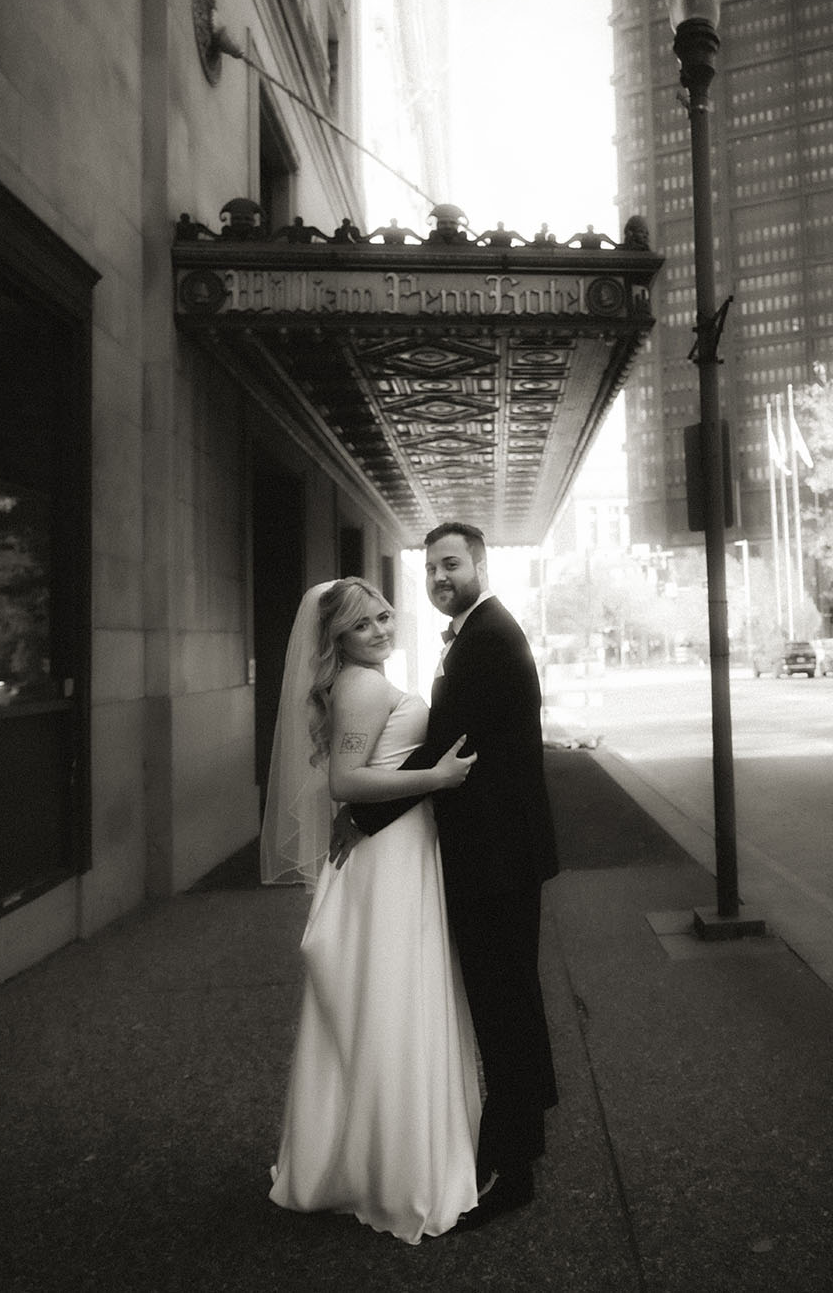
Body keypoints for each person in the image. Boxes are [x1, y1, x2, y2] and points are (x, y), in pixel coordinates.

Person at [333, 524, 559, 1230]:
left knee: (504, 1003)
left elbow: (444, 747)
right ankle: (516, 1139)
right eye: (429, 565)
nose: (437, 575)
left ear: (480, 564)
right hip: (496, 852)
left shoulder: (487, 637)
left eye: (450, 562)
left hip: (495, 858)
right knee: (505, 998)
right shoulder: (472, 633)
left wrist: (360, 818)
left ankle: (512, 1166)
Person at [262, 578, 481, 1245]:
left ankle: (377, 1155)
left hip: (397, 848)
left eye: (384, 613)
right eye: (363, 624)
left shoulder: (366, 679)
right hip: (387, 860)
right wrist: (436, 779)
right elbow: (346, 783)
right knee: (391, 997)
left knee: (388, 998)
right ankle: (393, 1170)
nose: (381, 628)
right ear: (339, 639)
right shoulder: (358, 685)